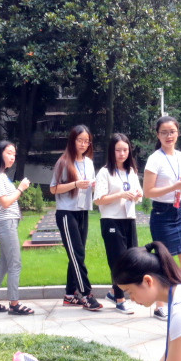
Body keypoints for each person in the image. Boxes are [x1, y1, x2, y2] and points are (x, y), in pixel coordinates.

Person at [143, 116, 181, 319]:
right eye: (164, 132)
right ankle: (159, 305)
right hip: (161, 213)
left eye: (172, 132)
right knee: (165, 261)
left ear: (178, 133)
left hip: (179, 212)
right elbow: (148, 191)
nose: (168, 136)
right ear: (158, 135)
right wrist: (174, 187)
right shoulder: (155, 159)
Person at [49, 125, 103, 311]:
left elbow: (91, 185)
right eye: (80, 140)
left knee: (77, 254)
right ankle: (86, 294)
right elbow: (53, 188)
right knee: (77, 253)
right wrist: (75, 184)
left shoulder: (88, 162)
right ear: (72, 141)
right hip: (66, 212)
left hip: (83, 211)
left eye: (87, 141)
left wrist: (94, 186)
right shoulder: (64, 162)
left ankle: (70, 295)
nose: (83, 144)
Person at [93, 133, 143, 314]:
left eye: (125, 150)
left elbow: (139, 194)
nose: (122, 154)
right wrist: (120, 195)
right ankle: (120, 300)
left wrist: (137, 195)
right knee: (118, 260)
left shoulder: (131, 172)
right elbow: (98, 199)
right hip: (111, 220)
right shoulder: (105, 172)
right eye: (118, 150)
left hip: (129, 219)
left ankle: (113, 292)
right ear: (111, 151)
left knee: (131, 259)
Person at [0, 140, 34, 316]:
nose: (12, 157)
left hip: (8, 223)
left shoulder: (1, 176)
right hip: (6, 224)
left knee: (4, 264)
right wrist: (21, 189)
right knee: (15, 263)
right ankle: (14, 304)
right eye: (9, 153)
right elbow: (5, 203)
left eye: (14, 154)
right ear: (0, 154)